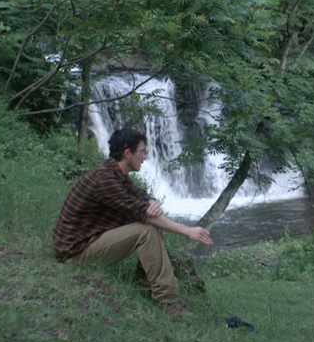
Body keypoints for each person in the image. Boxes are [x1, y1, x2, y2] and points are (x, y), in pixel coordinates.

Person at [52, 128, 213, 318]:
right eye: (142, 151)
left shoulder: (113, 172)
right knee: (146, 231)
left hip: (88, 241)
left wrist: (150, 201)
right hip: (76, 252)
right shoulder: (105, 180)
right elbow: (142, 213)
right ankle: (168, 302)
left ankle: (145, 284)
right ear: (128, 153)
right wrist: (187, 231)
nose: (145, 157)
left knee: (150, 226)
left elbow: (139, 195)